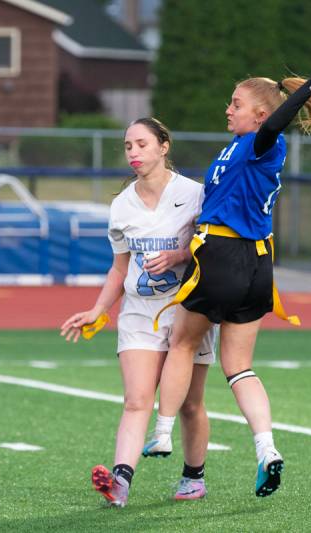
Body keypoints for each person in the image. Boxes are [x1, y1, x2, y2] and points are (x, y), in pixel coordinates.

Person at [144, 72, 311, 497]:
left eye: (236, 104)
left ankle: (163, 431)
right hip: (258, 264)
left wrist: (310, 88)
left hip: (223, 257)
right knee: (239, 366)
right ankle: (267, 448)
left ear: (261, 115)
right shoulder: (238, 148)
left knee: (182, 343)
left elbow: (278, 124)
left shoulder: (264, 141)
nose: (228, 109)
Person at [60, 117, 217, 508]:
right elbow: (119, 268)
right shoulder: (121, 205)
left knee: (190, 403)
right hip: (139, 311)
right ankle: (120, 482)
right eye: (128, 146)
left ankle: (193, 477)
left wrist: (179, 254)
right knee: (136, 399)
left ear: (164, 146)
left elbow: (211, 250)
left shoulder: (195, 194)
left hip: (188, 311)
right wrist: (98, 310)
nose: (133, 152)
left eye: (142, 144)